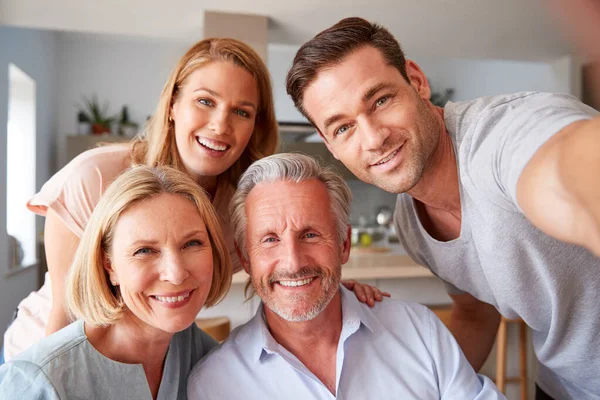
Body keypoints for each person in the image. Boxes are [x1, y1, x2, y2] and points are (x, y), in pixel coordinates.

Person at [2, 37, 383, 364]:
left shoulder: (239, 210)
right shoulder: (96, 177)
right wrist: (41, 385)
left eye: (241, 112)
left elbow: (281, 265)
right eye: (205, 101)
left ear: (255, 127)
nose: (220, 124)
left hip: (148, 363)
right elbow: (67, 313)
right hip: (44, 353)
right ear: (172, 106)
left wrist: (330, 289)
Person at [285, 17, 600, 400]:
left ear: (416, 81)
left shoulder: (499, 137)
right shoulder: (411, 224)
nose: (374, 138)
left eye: (381, 100)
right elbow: (475, 312)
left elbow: (564, 163)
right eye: (343, 128)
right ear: (329, 144)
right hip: (563, 387)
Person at [187, 153, 505, 399]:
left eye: (310, 234)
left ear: (344, 244)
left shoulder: (419, 332)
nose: (293, 262)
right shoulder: (215, 383)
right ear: (245, 257)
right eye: (270, 239)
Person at [0, 165, 231, 399]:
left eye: (192, 244)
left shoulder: (208, 358)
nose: (176, 273)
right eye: (144, 251)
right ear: (109, 265)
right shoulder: (36, 383)